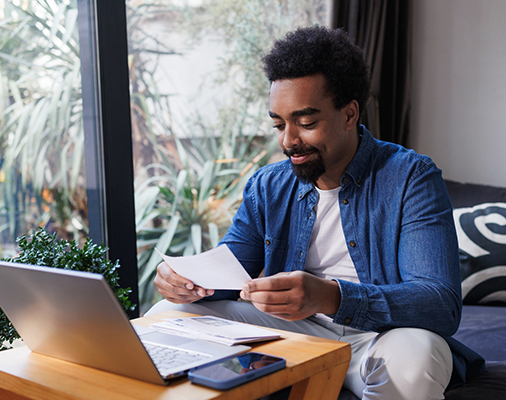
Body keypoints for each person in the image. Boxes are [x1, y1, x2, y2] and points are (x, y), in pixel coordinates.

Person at [147, 25, 485, 400]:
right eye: (279, 124)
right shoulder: (268, 185)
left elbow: (439, 303)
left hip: (381, 338)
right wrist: (185, 282)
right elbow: (230, 271)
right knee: (166, 316)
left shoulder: (410, 177)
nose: (288, 140)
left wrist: (331, 298)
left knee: (415, 361)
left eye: (306, 123)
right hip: (291, 335)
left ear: (349, 113)